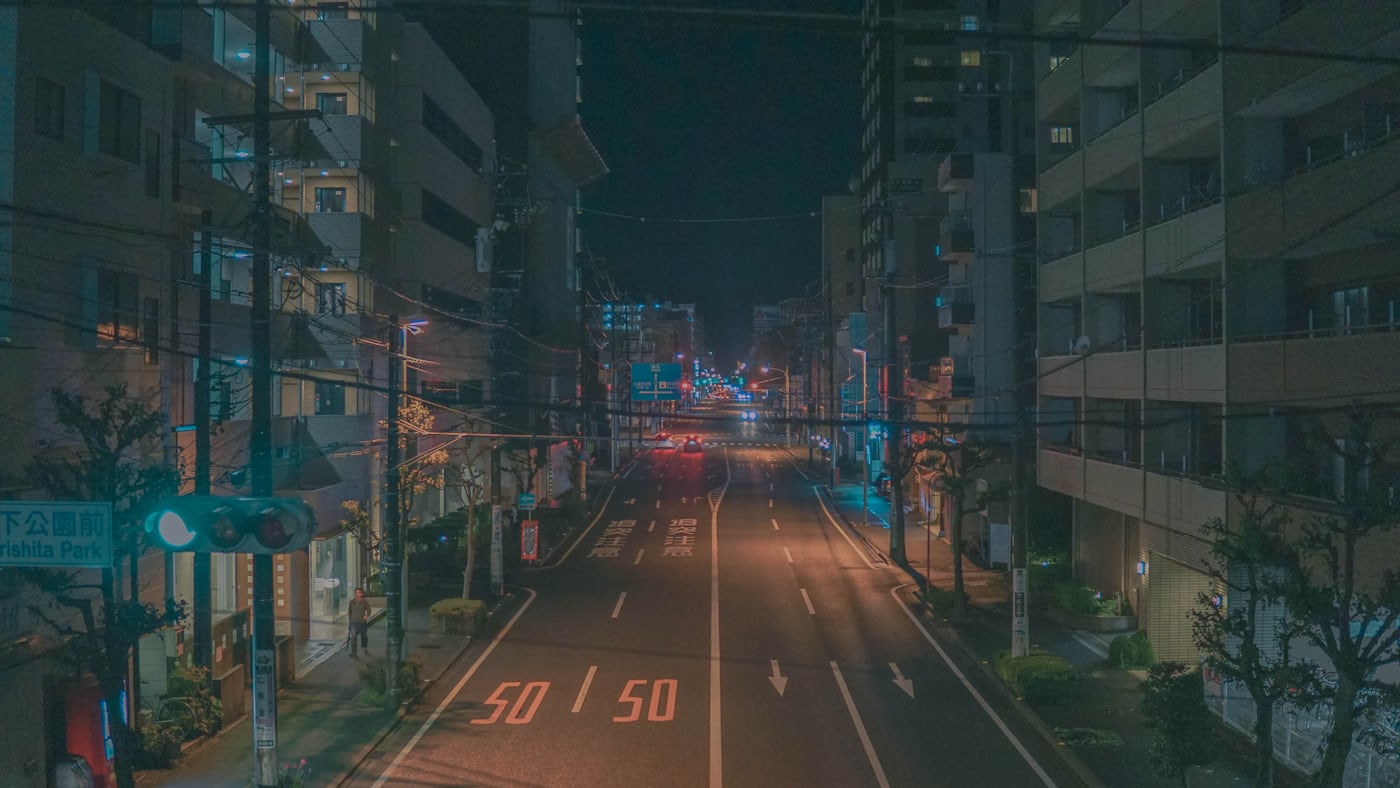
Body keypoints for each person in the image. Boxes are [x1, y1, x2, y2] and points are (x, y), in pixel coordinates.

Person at [348, 587, 371, 657]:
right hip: (353, 623)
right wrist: (350, 620)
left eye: (359, 593)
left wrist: (366, 615)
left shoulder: (365, 602)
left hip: (362, 622)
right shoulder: (351, 602)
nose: (357, 594)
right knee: (353, 637)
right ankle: (354, 652)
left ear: (361, 594)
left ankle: (365, 648)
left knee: (364, 636)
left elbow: (369, 610)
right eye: (356, 593)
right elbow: (349, 612)